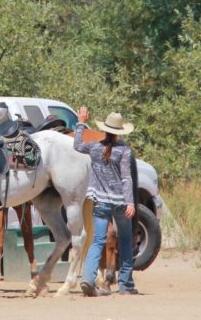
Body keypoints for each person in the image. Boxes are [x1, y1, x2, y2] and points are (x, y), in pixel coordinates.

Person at [75, 106, 139, 296]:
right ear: (119, 132)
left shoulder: (94, 147)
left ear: (104, 129)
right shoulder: (125, 151)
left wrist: (81, 122)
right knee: (126, 240)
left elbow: (77, 145)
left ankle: (87, 278)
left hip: (100, 202)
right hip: (120, 202)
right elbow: (127, 178)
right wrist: (131, 203)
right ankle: (125, 284)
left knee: (97, 241)